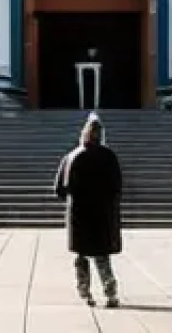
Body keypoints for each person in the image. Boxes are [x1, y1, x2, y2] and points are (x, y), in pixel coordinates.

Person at [53, 112, 122, 308]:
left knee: (81, 256)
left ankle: (85, 293)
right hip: (102, 215)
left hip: (79, 215)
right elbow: (117, 187)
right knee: (102, 256)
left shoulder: (72, 157)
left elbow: (59, 189)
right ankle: (111, 293)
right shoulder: (109, 156)